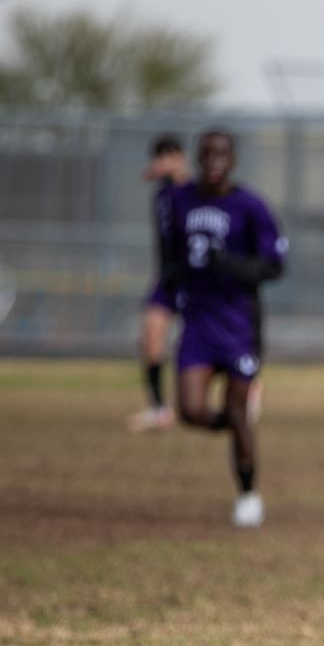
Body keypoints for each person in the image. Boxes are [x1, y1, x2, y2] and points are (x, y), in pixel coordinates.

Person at [161, 129, 287, 527]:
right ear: (199, 157)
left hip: (239, 325)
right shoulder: (179, 201)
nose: (214, 161)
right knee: (191, 410)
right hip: (197, 322)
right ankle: (238, 422)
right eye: (207, 154)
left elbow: (274, 266)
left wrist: (229, 264)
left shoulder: (250, 206)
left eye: (222, 155)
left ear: (232, 160)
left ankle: (248, 494)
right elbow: (169, 255)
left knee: (236, 406)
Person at [127, 135, 188, 433]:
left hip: (196, 279)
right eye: (158, 156)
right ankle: (158, 408)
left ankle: (248, 388)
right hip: (167, 278)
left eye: (169, 155)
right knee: (150, 334)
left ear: (182, 157)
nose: (162, 162)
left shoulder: (193, 190)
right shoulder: (162, 193)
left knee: (214, 339)